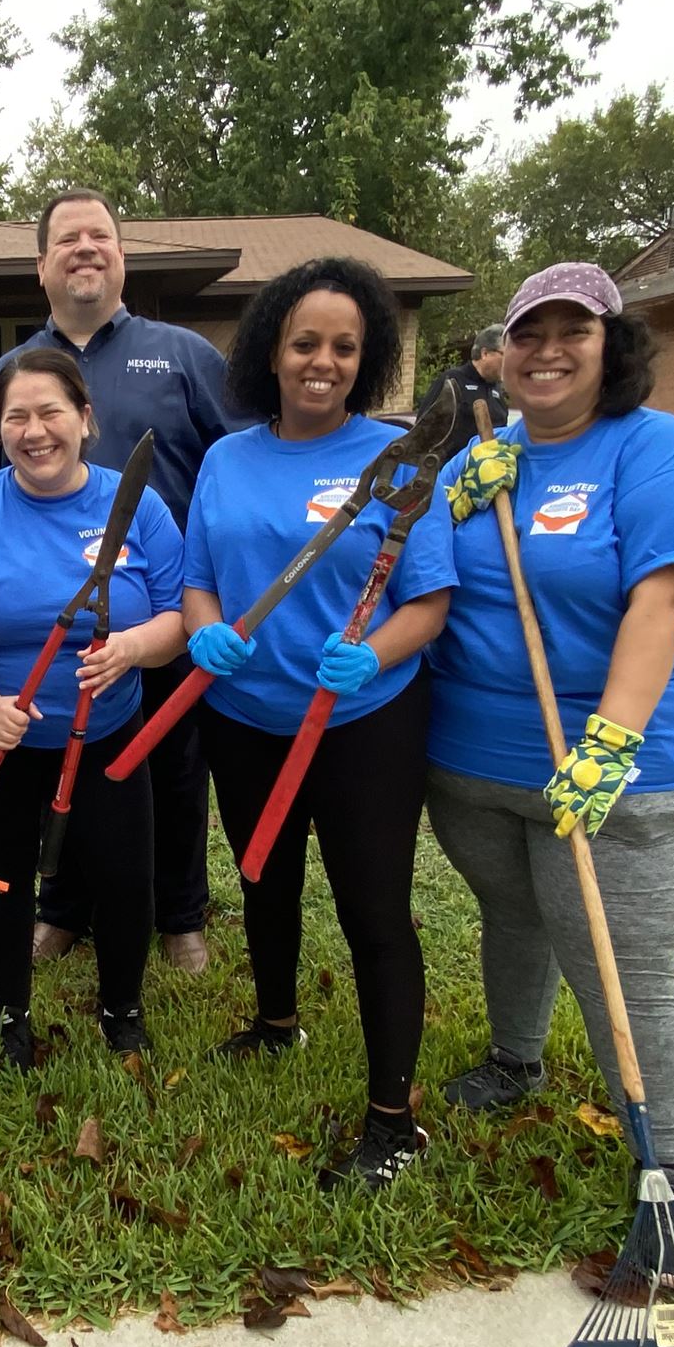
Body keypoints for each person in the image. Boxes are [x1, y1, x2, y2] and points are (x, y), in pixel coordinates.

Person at [423, 261, 674, 1268]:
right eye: (526, 334)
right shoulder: (481, 463)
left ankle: (666, 1178)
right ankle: (515, 1058)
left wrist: (610, 739)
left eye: (572, 333)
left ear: (611, 347)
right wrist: (454, 499)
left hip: (615, 764)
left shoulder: (655, 450)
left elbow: (660, 599)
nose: (546, 351)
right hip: (473, 758)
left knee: (622, 965)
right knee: (517, 914)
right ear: (498, 353)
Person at [179, 257, 457, 1186]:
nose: (323, 362)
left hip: (363, 722)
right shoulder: (226, 459)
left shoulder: (397, 462)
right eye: (305, 342)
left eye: (345, 346)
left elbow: (428, 604)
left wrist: (372, 654)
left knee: (372, 909)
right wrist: (206, 629)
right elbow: (197, 577)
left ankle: (391, 1121)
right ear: (272, 351)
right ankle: (276, 1023)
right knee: (266, 879)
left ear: (366, 358)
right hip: (246, 716)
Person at [0, 187, 232, 974]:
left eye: (99, 235)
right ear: (41, 266)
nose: (85, 248)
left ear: (122, 256)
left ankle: (178, 913)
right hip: (54, 621)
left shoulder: (182, 354)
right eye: (67, 239)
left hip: (161, 602)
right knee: (55, 761)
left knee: (165, 774)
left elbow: (239, 460)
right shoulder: (10, 372)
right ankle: (63, 909)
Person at [0, 349, 186, 1067]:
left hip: (106, 730)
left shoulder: (137, 502)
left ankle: (122, 1006)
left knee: (124, 872)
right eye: (17, 417)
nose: (34, 431)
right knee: (3, 872)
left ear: (85, 419)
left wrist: (132, 647)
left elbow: (179, 619)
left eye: (51, 412)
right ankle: (13, 1012)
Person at [428, 323, 509, 462]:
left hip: (486, 476)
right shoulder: (453, 381)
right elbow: (425, 432)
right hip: (448, 475)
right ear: (485, 353)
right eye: (505, 354)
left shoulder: (497, 390)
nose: (509, 362)